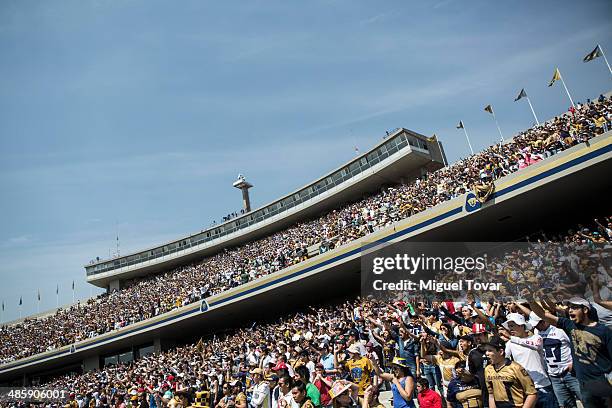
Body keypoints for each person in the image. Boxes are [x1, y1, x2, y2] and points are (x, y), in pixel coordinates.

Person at [530, 297, 612, 408]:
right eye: (569, 308)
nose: (570, 310)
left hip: (603, 384)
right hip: (584, 384)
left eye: (574, 308)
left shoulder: (604, 331)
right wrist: (530, 299)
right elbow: (543, 315)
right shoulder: (569, 325)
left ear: (585, 310)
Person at [500, 313, 557, 408]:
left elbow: (535, 345)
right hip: (525, 388)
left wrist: (511, 338)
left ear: (522, 325)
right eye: (509, 326)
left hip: (542, 385)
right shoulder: (510, 343)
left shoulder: (536, 338)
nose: (510, 329)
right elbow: (504, 359)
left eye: (512, 326)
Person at [483, 336, 537, 408]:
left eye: (490, 350)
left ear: (501, 352)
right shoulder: (488, 369)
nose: (486, 353)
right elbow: (491, 394)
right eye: (486, 350)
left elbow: (532, 393)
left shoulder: (516, 368)